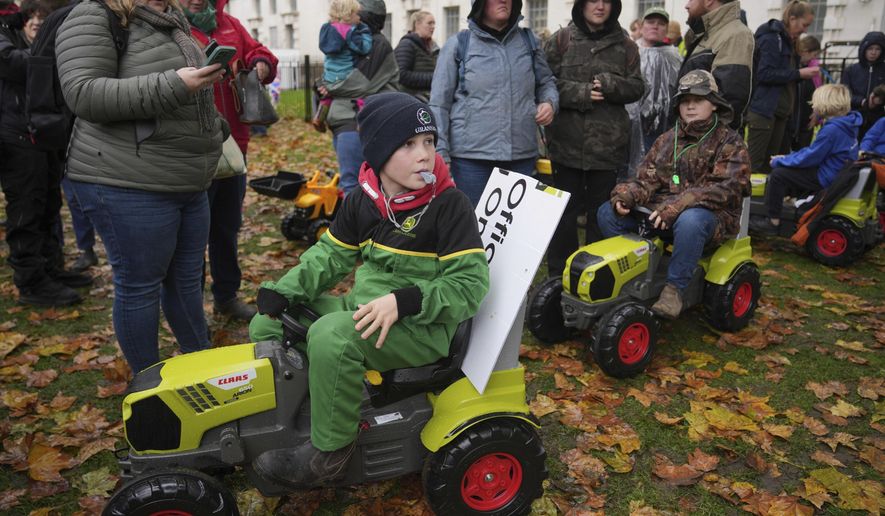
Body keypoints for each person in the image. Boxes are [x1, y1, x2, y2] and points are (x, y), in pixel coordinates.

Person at [249, 92, 489, 486]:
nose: (424, 155)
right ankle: (299, 411)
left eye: (429, 142)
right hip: (366, 308)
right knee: (269, 325)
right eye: (408, 144)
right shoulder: (365, 199)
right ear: (379, 153)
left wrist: (406, 300)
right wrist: (285, 291)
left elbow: (469, 284)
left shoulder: (449, 205)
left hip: (421, 327)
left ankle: (331, 450)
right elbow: (329, 256)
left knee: (331, 336)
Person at [56, 0, 228, 372]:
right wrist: (174, 84)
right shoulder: (94, 14)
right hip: (126, 179)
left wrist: (213, 128)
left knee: (186, 283)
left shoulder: (170, 18)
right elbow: (84, 93)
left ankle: (204, 370)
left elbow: (187, 96)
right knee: (140, 287)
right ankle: (149, 389)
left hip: (186, 178)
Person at [598, 70, 750, 318]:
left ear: (713, 104)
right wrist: (626, 195)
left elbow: (726, 187)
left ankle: (674, 290)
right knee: (607, 212)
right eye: (685, 101)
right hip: (663, 214)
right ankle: (639, 273)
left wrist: (678, 205)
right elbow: (646, 178)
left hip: (712, 220)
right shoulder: (667, 139)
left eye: (698, 100)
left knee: (691, 220)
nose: (690, 107)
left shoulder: (730, 142)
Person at [180, 0, 277, 321]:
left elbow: (258, 51)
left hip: (233, 145)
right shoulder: (171, 26)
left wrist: (261, 64)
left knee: (226, 226)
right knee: (192, 234)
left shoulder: (230, 25)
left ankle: (226, 296)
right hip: (191, 147)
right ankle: (193, 310)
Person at [542, 0, 643, 278]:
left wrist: (611, 85)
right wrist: (580, 93)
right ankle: (558, 277)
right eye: (593, 1)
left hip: (607, 149)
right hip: (565, 146)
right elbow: (543, 82)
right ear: (581, 5)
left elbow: (637, 87)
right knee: (564, 217)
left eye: (606, 1)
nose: (600, 6)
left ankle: (596, 277)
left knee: (601, 217)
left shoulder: (626, 45)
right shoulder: (561, 40)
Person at [1, 0, 92, 307]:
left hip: (40, 129)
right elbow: (13, 63)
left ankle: (50, 268)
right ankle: (30, 280)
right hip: (16, 133)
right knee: (27, 208)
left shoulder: (13, 20)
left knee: (48, 204)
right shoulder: (5, 27)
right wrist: (56, 51)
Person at [429, 0, 559, 207]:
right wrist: (441, 152)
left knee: (516, 229)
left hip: (521, 156)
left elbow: (546, 83)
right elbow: (438, 104)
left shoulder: (529, 42)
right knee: (473, 227)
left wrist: (549, 102)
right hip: (471, 160)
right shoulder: (459, 44)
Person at [750, 84, 861, 235]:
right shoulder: (848, 124)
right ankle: (790, 201)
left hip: (826, 177)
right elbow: (814, 152)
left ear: (825, 104)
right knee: (790, 169)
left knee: (778, 175)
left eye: (815, 103)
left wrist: (779, 161)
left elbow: (811, 157)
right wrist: (787, 157)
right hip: (837, 172)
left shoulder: (832, 130)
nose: (813, 106)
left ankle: (772, 221)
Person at [321, 0, 399, 194]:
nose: (354, 18)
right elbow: (335, 72)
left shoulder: (378, 43)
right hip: (344, 118)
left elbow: (359, 83)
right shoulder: (351, 40)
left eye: (357, 14)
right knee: (353, 182)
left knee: (357, 184)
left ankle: (361, 224)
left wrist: (328, 87)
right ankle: (356, 223)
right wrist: (322, 83)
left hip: (361, 119)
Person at [747, 0, 818, 174]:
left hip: (779, 114)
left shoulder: (787, 41)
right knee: (755, 166)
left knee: (770, 166)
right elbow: (764, 74)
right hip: (764, 112)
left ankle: (762, 201)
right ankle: (749, 201)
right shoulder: (772, 38)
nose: (805, 30)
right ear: (792, 19)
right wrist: (799, 74)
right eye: (804, 24)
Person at [679, 0, 754, 130]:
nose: (686, 5)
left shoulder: (735, 34)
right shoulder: (709, 33)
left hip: (708, 140)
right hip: (692, 134)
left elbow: (728, 100)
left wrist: (701, 139)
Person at [630, 7, 682, 155]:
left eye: (661, 23)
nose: (655, 26)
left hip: (662, 125)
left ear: (666, 29)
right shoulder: (630, 50)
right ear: (642, 26)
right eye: (651, 22)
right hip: (631, 122)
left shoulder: (674, 57)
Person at [313, 0, 371, 132]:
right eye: (357, 14)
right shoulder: (349, 31)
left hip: (329, 75)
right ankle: (362, 121)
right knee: (361, 93)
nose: (359, 17)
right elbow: (363, 48)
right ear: (348, 15)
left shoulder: (327, 28)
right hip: (345, 75)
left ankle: (319, 116)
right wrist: (365, 32)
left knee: (327, 95)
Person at [394, 10, 438, 102]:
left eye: (434, 23)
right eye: (429, 23)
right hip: (411, 101)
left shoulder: (433, 47)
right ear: (417, 24)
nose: (433, 27)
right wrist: (434, 78)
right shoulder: (406, 44)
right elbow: (402, 75)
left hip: (427, 100)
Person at [791, 35, 822, 151]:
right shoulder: (792, 66)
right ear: (805, 52)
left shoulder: (814, 69)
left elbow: (818, 91)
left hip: (806, 120)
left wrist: (817, 113)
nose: (814, 59)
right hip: (791, 119)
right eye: (814, 55)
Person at [841, 32, 885, 112]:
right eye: (870, 48)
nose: (873, 52)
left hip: (878, 114)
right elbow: (844, 94)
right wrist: (862, 101)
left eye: (877, 49)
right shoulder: (850, 70)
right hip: (854, 113)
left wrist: (879, 99)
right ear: (864, 49)